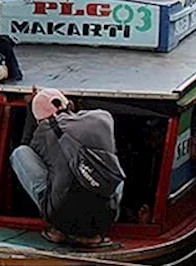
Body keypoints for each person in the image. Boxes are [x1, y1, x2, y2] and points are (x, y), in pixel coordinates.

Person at [10, 88, 125, 247]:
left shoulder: (43, 132)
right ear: (68, 105)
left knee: (20, 153)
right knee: (112, 165)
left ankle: (57, 231)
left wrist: (31, 106)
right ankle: (91, 236)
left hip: (59, 217)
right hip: (106, 218)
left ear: (40, 120)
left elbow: (27, 144)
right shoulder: (103, 118)